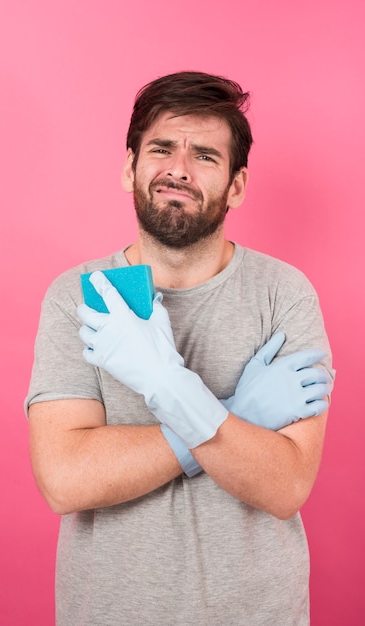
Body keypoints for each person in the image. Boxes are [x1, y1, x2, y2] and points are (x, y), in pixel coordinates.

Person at [26, 71, 335, 626]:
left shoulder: (284, 294)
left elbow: (285, 485)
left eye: (206, 156)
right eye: (162, 148)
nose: (179, 169)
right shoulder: (78, 296)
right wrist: (231, 415)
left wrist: (166, 387)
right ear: (130, 167)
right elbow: (65, 480)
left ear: (236, 185)